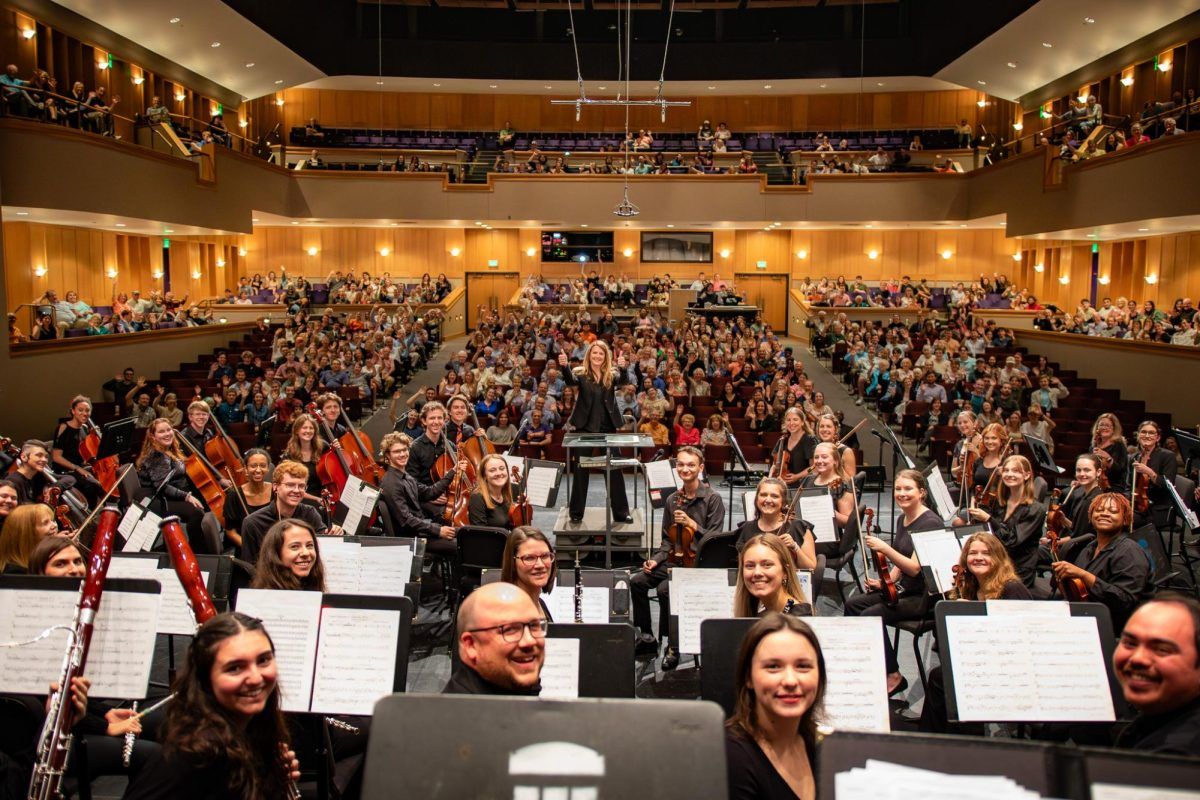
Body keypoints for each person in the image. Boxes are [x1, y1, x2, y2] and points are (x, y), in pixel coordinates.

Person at [122, 613, 300, 800]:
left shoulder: (252, 730)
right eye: (235, 668)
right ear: (205, 678)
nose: (256, 678)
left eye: (263, 660)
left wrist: (270, 783)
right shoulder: (192, 757)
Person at [844, 468, 941, 696]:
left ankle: (893, 675)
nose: (902, 493)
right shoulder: (902, 518)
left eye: (908, 489)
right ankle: (870, 663)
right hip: (903, 589)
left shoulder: (930, 523)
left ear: (922, 492)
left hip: (921, 597)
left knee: (870, 616)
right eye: (898, 489)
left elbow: (915, 568)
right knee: (852, 606)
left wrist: (884, 548)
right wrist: (885, 582)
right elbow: (901, 561)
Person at [631, 446, 725, 669]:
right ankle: (647, 637)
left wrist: (693, 525)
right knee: (637, 582)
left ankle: (672, 645)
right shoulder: (673, 499)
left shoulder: (713, 499)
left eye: (691, 464)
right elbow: (667, 539)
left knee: (665, 590)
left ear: (700, 468)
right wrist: (656, 559)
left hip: (699, 565)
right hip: (675, 560)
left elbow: (716, 540)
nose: (685, 469)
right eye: (681, 464)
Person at [724, 613, 824, 800]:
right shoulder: (730, 757)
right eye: (773, 667)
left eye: (803, 666)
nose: (790, 680)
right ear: (748, 677)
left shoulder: (819, 742)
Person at [1113, 594, 1200, 754]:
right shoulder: (1162, 712)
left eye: (1162, 649)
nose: (1138, 659)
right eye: (1130, 643)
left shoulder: (1175, 756)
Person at [1052, 493, 1152, 631]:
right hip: (1088, 617)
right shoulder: (1090, 547)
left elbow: (1125, 601)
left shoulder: (1130, 551)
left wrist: (1084, 575)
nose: (1104, 514)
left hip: (1112, 628)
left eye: (1113, 511)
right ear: (1091, 517)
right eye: (1099, 510)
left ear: (1125, 519)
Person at [558, 342, 632, 523]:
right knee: (581, 471)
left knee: (614, 470)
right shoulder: (581, 373)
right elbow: (570, 381)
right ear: (589, 355)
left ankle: (622, 513)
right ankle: (576, 514)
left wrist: (623, 368)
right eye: (595, 353)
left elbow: (623, 381)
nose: (598, 356)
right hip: (584, 427)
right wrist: (564, 366)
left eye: (601, 353)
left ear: (605, 356)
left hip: (608, 427)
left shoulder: (612, 374)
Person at [443, 582, 546, 695]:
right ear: (471, 645)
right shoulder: (460, 711)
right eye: (510, 630)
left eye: (534, 626)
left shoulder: (509, 689)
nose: (529, 641)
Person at [964, 455, 1046, 588]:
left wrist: (988, 519)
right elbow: (994, 532)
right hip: (997, 560)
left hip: (1018, 569)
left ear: (1026, 475)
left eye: (1015, 471)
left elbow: (1011, 542)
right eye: (1006, 470)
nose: (1009, 474)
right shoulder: (1001, 501)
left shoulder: (1036, 510)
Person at [134, 418, 214, 553]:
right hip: (156, 499)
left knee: (204, 501)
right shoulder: (157, 456)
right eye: (161, 432)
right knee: (196, 512)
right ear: (153, 437)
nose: (167, 434)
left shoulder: (169, 449)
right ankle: (197, 551)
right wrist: (187, 497)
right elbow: (163, 487)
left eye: (169, 430)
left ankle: (199, 547)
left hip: (168, 494)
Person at [240, 461, 334, 565]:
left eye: (301, 486)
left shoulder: (310, 513)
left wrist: (333, 534)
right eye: (290, 485)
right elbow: (250, 567)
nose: (297, 490)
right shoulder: (253, 522)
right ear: (275, 487)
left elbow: (323, 546)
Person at [378, 432, 457, 554]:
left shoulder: (405, 476)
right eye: (397, 451)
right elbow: (406, 520)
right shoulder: (391, 483)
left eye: (405, 450)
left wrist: (453, 472)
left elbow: (429, 492)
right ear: (387, 455)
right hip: (413, 537)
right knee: (460, 545)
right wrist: (438, 530)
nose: (402, 454)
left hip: (421, 530)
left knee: (464, 533)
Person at [735, 477, 816, 571]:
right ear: (757, 500)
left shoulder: (799, 527)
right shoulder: (746, 529)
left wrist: (795, 547)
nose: (768, 500)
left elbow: (811, 568)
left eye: (774, 496)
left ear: (783, 501)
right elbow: (743, 568)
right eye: (763, 495)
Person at [734, 534, 812, 618]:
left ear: (785, 572)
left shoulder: (800, 617)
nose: (757, 572)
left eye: (767, 565)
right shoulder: (760, 615)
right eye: (750, 566)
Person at [251, 518, 326, 592]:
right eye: (295, 547)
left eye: (309, 545)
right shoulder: (263, 600)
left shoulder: (313, 589)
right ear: (275, 553)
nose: (306, 553)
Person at [499, 526, 557, 621]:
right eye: (529, 558)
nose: (540, 565)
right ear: (512, 563)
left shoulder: (539, 602)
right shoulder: (512, 616)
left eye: (545, 556)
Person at [1129, 421, 1178, 530]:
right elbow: (1128, 485)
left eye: (1151, 433)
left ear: (1158, 438)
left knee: (1124, 520)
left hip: (1158, 508)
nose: (1147, 435)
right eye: (1143, 432)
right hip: (1137, 505)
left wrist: (1150, 472)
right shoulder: (1134, 457)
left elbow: (1167, 485)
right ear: (1138, 435)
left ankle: (1136, 546)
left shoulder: (1167, 456)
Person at [223, 449, 273, 551]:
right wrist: (250, 547)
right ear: (245, 469)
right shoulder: (234, 495)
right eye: (253, 466)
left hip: (272, 548)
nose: (258, 470)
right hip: (247, 549)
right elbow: (231, 532)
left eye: (263, 466)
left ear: (268, 469)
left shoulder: (277, 491)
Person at [0, 503, 56, 573]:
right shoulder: (16, 573)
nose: (54, 525)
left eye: (52, 520)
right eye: (45, 523)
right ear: (27, 531)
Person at [772, 407, 815, 488]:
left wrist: (797, 476)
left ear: (802, 422)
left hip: (802, 486)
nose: (791, 423)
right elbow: (774, 465)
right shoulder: (783, 440)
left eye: (795, 419)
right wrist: (771, 479)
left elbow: (814, 467)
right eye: (788, 420)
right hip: (782, 486)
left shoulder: (809, 440)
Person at [468, 453, 514, 529]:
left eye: (502, 468)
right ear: (485, 476)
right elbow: (480, 533)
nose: (499, 473)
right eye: (492, 470)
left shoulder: (506, 496)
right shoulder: (477, 498)